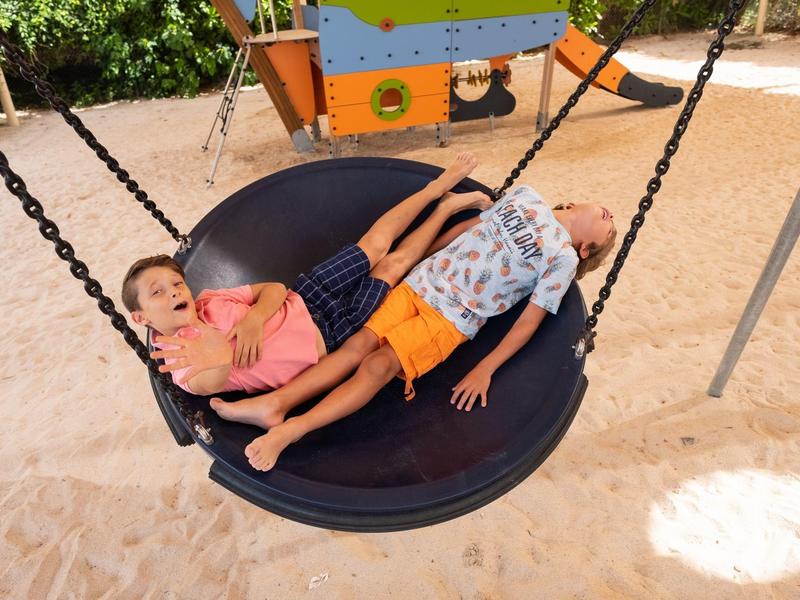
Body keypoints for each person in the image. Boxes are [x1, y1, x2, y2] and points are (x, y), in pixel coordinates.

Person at [209, 184, 619, 471]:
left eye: (611, 230)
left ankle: (293, 430)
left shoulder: (563, 258)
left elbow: (531, 318)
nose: (612, 215)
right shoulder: (527, 195)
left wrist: (485, 368)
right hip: (419, 283)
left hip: (451, 318)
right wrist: (422, 253)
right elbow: (467, 229)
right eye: (611, 217)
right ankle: (275, 403)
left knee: (377, 367)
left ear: (587, 249)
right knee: (353, 348)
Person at [121, 153, 491, 396]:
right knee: (393, 267)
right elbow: (210, 383)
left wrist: (254, 318)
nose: (173, 293)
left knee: (376, 245)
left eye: (176, 283)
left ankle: (436, 188)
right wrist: (215, 348)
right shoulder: (181, 362)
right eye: (157, 293)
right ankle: (445, 210)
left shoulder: (210, 302)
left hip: (308, 294)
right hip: (333, 334)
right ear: (140, 317)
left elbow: (274, 289)